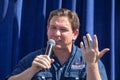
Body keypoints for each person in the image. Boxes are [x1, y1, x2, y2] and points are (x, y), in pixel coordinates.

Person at [6, 8, 110, 80]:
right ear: (47, 30)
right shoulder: (34, 59)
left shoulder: (87, 58)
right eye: (53, 28)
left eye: (63, 29)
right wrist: (32, 70)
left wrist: (92, 65)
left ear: (75, 34)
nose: (56, 34)